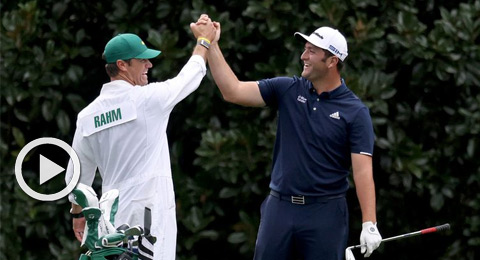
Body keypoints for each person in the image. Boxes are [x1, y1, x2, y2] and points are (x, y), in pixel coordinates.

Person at [193, 17, 383, 260]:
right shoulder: (289, 89)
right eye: (305, 49)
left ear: (332, 61)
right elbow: (233, 91)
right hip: (279, 208)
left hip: (325, 213)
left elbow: (363, 171)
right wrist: (211, 45)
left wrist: (369, 223)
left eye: (312, 51)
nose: (303, 56)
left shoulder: (355, 112)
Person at [65, 16, 217, 260]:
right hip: (149, 215)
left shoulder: (87, 116)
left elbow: (77, 176)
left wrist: (77, 214)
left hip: (110, 219)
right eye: (142, 59)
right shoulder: (147, 100)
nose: (149, 64)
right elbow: (190, 76)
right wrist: (204, 41)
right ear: (123, 65)